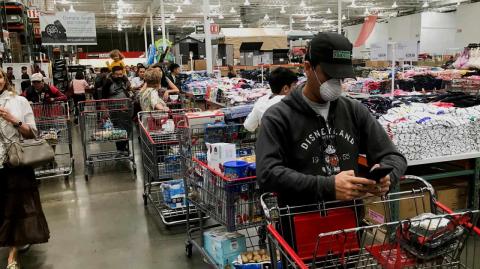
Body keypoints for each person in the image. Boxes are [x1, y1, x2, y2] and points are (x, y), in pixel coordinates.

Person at [256, 33, 407, 246]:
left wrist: (387, 176)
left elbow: (393, 155)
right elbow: (267, 173)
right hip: (300, 225)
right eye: (330, 76)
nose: (337, 84)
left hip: (349, 224)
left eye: (342, 77)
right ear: (308, 68)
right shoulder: (278, 117)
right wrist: (327, 186)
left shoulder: (353, 110)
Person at [0, 68, 50, 269]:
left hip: (16, 162)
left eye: (0, 76)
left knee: (17, 209)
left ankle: (12, 256)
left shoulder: (18, 101)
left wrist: (14, 120)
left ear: (5, 79)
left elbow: (32, 132)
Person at [244, 67, 298, 132]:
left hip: (267, 140)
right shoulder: (291, 103)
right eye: (294, 85)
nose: (296, 88)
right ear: (286, 88)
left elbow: (248, 126)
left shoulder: (261, 101)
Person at [102, 66, 131, 154]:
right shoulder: (108, 82)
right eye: (117, 74)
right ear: (113, 74)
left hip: (125, 107)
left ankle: (124, 146)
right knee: (118, 129)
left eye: (121, 74)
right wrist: (105, 110)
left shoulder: (124, 80)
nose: (119, 76)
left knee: (127, 128)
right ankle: (121, 148)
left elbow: (128, 89)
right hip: (114, 109)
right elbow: (103, 96)